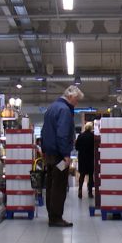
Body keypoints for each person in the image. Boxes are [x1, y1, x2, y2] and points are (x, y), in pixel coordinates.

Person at [41, 85, 84, 227]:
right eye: (76, 100)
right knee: (59, 185)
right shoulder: (64, 110)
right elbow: (62, 134)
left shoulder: (51, 108)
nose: (76, 103)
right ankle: (56, 217)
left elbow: (43, 131)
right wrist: (66, 155)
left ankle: (51, 214)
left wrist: (44, 150)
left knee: (51, 185)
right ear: (71, 97)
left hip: (49, 155)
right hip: (59, 156)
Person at [75, 122, 95, 199]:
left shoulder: (80, 136)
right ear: (91, 128)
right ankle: (90, 192)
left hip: (82, 158)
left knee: (82, 175)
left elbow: (76, 147)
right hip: (90, 158)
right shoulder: (92, 136)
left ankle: (80, 191)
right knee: (90, 176)